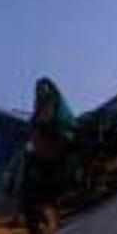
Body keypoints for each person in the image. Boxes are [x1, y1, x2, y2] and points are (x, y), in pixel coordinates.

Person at [20, 78, 77, 209]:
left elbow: (55, 122)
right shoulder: (39, 109)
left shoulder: (55, 103)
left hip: (62, 141)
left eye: (44, 89)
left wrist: (46, 128)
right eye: (39, 90)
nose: (41, 92)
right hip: (46, 148)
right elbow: (33, 125)